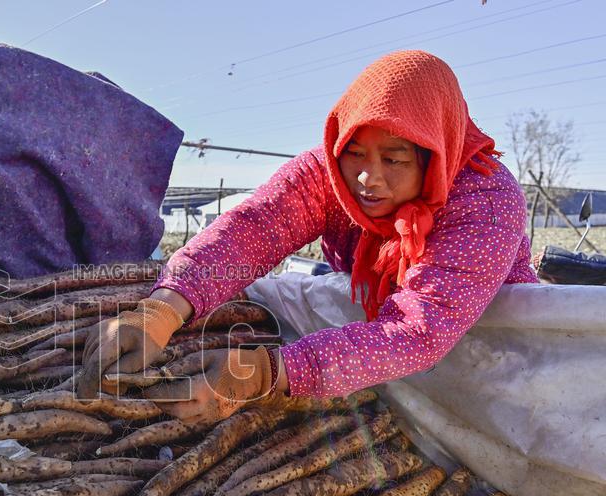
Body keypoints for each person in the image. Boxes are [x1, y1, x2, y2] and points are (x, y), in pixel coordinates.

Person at [76, 50, 538, 423]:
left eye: (394, 160)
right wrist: (164, 307)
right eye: (354, 153)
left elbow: (418, 330)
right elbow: (252, 229)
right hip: (376, 354)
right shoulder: (328, 173)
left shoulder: (484, 200)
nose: (367, 178)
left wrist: (265, 374)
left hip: (489, 363)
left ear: (433, 153)